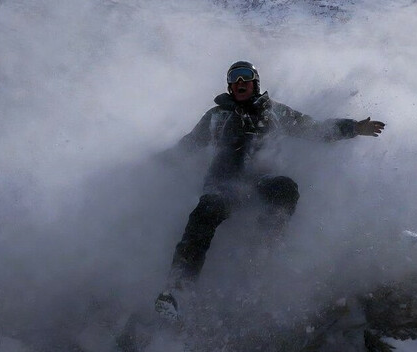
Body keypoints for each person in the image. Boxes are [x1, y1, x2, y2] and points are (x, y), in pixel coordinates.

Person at [155, 61, 385, 318]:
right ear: (229, 86)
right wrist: (157, 162)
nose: (240, 82)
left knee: (286, 188)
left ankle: (259, 259)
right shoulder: (217, 116)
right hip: (223, 185)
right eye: (234, 78)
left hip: (259, 181)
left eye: (245, 76)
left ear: (255, 82)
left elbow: (313, 129)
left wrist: (353, 128)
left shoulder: (274, 112)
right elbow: (189, 144)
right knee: (203, 214)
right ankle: (177, 291)